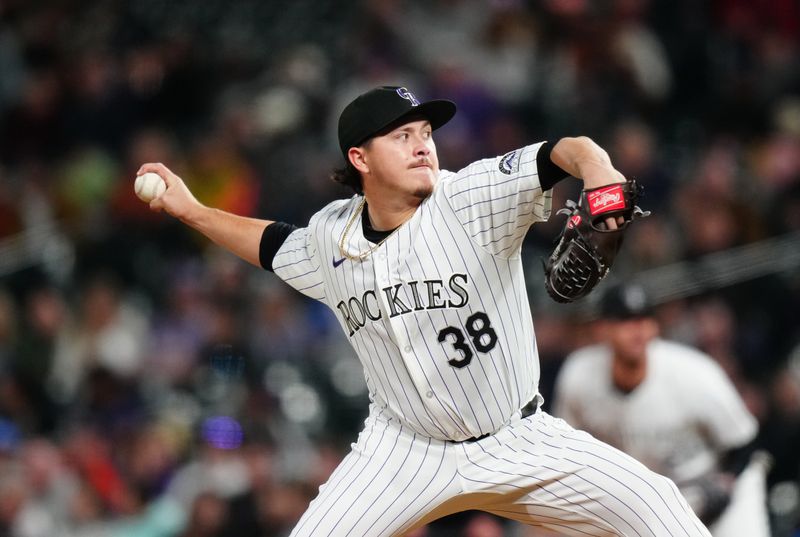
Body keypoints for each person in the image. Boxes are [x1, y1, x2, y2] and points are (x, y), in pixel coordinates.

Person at [138, 86, 711, 536]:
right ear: (359, 157)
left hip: (519, 438)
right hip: (402, 452)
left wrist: (598, 167)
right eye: (402, 136)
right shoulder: (328, 239)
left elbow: (561, 151)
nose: (423, 145)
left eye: (426, 132)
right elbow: (270, 244)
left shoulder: (469, 196)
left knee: (655, 504)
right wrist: (193, 212)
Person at [553, 283, 770, 537]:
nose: (637, 330)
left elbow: (745, 443)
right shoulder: (579, 376)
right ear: (602, 329)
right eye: (625, 321)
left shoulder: (693, 375)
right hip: (656, 499)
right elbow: (565, 448)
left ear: (654, 327)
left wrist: (726, 483)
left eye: (644, 319)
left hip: (718, 487)